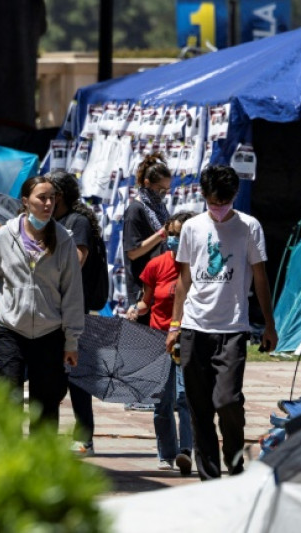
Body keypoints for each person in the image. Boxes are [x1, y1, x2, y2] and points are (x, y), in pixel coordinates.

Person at [164, 165, 278, 481]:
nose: (218, 208)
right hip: (194, 327)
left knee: (228, 401)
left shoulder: (249, 227)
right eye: (213, 202)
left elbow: (260, 276)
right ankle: (209, 478)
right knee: (199, 409)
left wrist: (269, 324)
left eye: (224, 202)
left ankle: (234, 457)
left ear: (234, 196)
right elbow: (184, 279)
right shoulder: (192, 228)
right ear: (203, 196)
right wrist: (175, 324)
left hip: (232, 329)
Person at [0, 176, 84, 433]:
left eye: (52, 198)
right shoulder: (5, 237)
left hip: (49, 333)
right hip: (10, 330)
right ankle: (10, 459)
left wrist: (71, 341)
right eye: (41, 198)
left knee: (46, 404)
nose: (48, 204)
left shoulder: (64, 240)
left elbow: (72, 294)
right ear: (26, 202)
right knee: (8, 398)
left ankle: (41, 462)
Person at [127, 211, 195, 475]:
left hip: (189, 338)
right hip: (159, 340)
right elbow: (147, 301)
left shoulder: (201, 266)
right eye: (172, 234)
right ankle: (166, 453)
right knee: (162, 402)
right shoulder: (156, 266)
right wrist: (136, 309)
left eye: (181, 234)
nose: (175, 240)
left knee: (184, 398)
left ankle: (186, 451)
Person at [50, 170, 100, 457]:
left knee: (77, 376)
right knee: (55, 376)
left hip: (73, 309)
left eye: (51, 194)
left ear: (63, 195)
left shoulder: (76, 222)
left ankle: (85, 437)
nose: (47, 200)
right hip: (51, 308)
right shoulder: (52, 222)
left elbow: (78, 260)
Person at [121, 153, 172, 411]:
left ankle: (154, 391)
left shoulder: (158, 208)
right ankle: (134, 394)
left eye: (167, 190)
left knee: (156, 339)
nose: (164, 194)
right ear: (149, 184)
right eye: (161, 189)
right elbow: (132, 251)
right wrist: (161, 234)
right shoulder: (136, 209)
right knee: (140, 337)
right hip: (142, 281)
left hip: (161, 280)